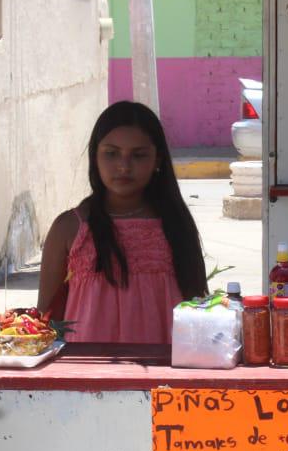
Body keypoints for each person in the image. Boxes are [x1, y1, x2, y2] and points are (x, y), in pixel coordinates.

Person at [37, 101, 206, 343]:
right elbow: (46, 320)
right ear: (95, 156)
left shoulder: (176, 225)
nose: (124, 166)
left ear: (157, 160)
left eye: (138, 155)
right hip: (88, 365)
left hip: (164, 363)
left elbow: (200, 308)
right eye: (111, 153)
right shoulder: (69, 228)